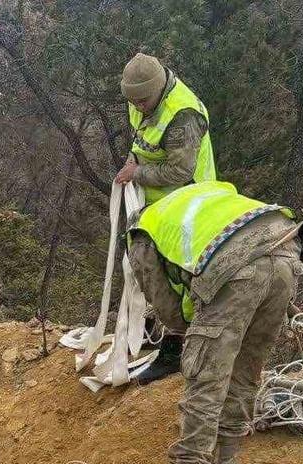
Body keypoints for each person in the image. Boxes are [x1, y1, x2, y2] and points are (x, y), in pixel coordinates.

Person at [126, 181, 303, 464]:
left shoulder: (141, 235)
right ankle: (226, 460)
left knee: (206, 377)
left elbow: (166, 306)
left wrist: (197, 334)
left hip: (238, 265)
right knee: (247, 367)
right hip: (286, 250)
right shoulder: (201, 196)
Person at [114, 52, 218, 385]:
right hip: (156, 200)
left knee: (173, 269)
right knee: (143, 261)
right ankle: (149, 327)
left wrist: (137, 173)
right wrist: (133, 163)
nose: (138, 107)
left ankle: (177, 342)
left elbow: (180, 170)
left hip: (189, 199)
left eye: (143, 101)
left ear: (158, 89)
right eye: (133, 101)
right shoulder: (141, 99)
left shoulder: (183, 115)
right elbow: (142, 139)